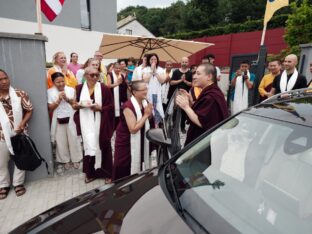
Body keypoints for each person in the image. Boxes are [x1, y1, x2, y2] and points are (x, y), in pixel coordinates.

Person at [73, 67, 115, 184]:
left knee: (103, 146)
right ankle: (90, 173)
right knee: (88, 146)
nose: (95, 77)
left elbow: (111, 107)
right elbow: (74, 104)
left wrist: (100, 108)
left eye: (97, 75)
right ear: (86, 76)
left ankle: (107, 173)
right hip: (86, 124)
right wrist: (77, 106)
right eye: (92, 75)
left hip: (101, 122)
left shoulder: (104, 88)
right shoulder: (79, 88)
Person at [176, 64, 228, 146]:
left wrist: (186, 107)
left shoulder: (211, 96)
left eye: (198, 74)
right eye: (195, 73)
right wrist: (191, 101)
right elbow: (202, 112)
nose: (194, 77)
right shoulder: (210, 92)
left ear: (209, 77)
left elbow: (201, 122)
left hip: (204, 144)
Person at [0, 69, 33, 199]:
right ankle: (3, 185)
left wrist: (22, 124)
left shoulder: (20, 93)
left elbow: (29, 110)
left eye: (5, 78)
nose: (4, 82)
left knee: (21, 159)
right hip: (1, 136)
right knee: (1, 163)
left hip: (19, 133)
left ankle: (18, 183)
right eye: (0, 80)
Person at [113, 81, 154, 181]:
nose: (146, 91)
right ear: (134, 92)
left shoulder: (145, 102)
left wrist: (150, 113)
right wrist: (146, 115)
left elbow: (149, 119)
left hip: (141, 137)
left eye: (146, 88)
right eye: (143, 89)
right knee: (124, 165)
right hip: (126, 140)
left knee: (139, 159)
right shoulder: (128, 106)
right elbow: (133, 129)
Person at [47, 72, 83, 170]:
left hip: (71, 118)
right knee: (61, 141)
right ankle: (65, 160)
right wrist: (58, 100)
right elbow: (50, 108)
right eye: (57, 82)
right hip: (58, 119)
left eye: (62, 81)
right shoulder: (49, 91)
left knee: (74, 138)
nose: (61, 84)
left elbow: (75, 104)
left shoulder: (71, 90)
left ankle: (76, 159)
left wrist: (67, 99)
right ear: (53, 82)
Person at [167, 57, 192, 133]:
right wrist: (180, 80)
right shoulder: (176, 72)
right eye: (183, 62)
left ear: (188, 63)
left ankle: (182, 127)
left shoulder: (190, 73)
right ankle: (174, 126)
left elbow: (192, 84)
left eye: (186, 62)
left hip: (185, 93)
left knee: (184, 110)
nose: (184, 63)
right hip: (176, 92)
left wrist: (185, 81)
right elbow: (171, 82)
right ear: (180, 63)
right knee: (175, 109)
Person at [142, 53, 166, 126]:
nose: (153, 60)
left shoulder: (161, 70)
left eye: (155, 59)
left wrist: (155, 72)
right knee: (148, 110)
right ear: (149, 60)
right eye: (151, 59)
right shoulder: (145, 69)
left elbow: (162, 80)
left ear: (157, 60)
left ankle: (156, 126)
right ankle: (148, 126)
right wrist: (151, 71)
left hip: (156, 94)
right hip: (147, 94)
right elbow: (145, 80)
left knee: (157, 111)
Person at [107, 62, 128, 129]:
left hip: (120, 96)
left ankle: (118, 127)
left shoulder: (121, 75)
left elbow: (124, 85)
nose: (118, 70)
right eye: (116, 68)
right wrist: (117, 83)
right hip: (112, 96)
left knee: (120, 113)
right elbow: (108, 86)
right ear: (113, 68)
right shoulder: (109, 74)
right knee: (113, 112)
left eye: (119, 68)